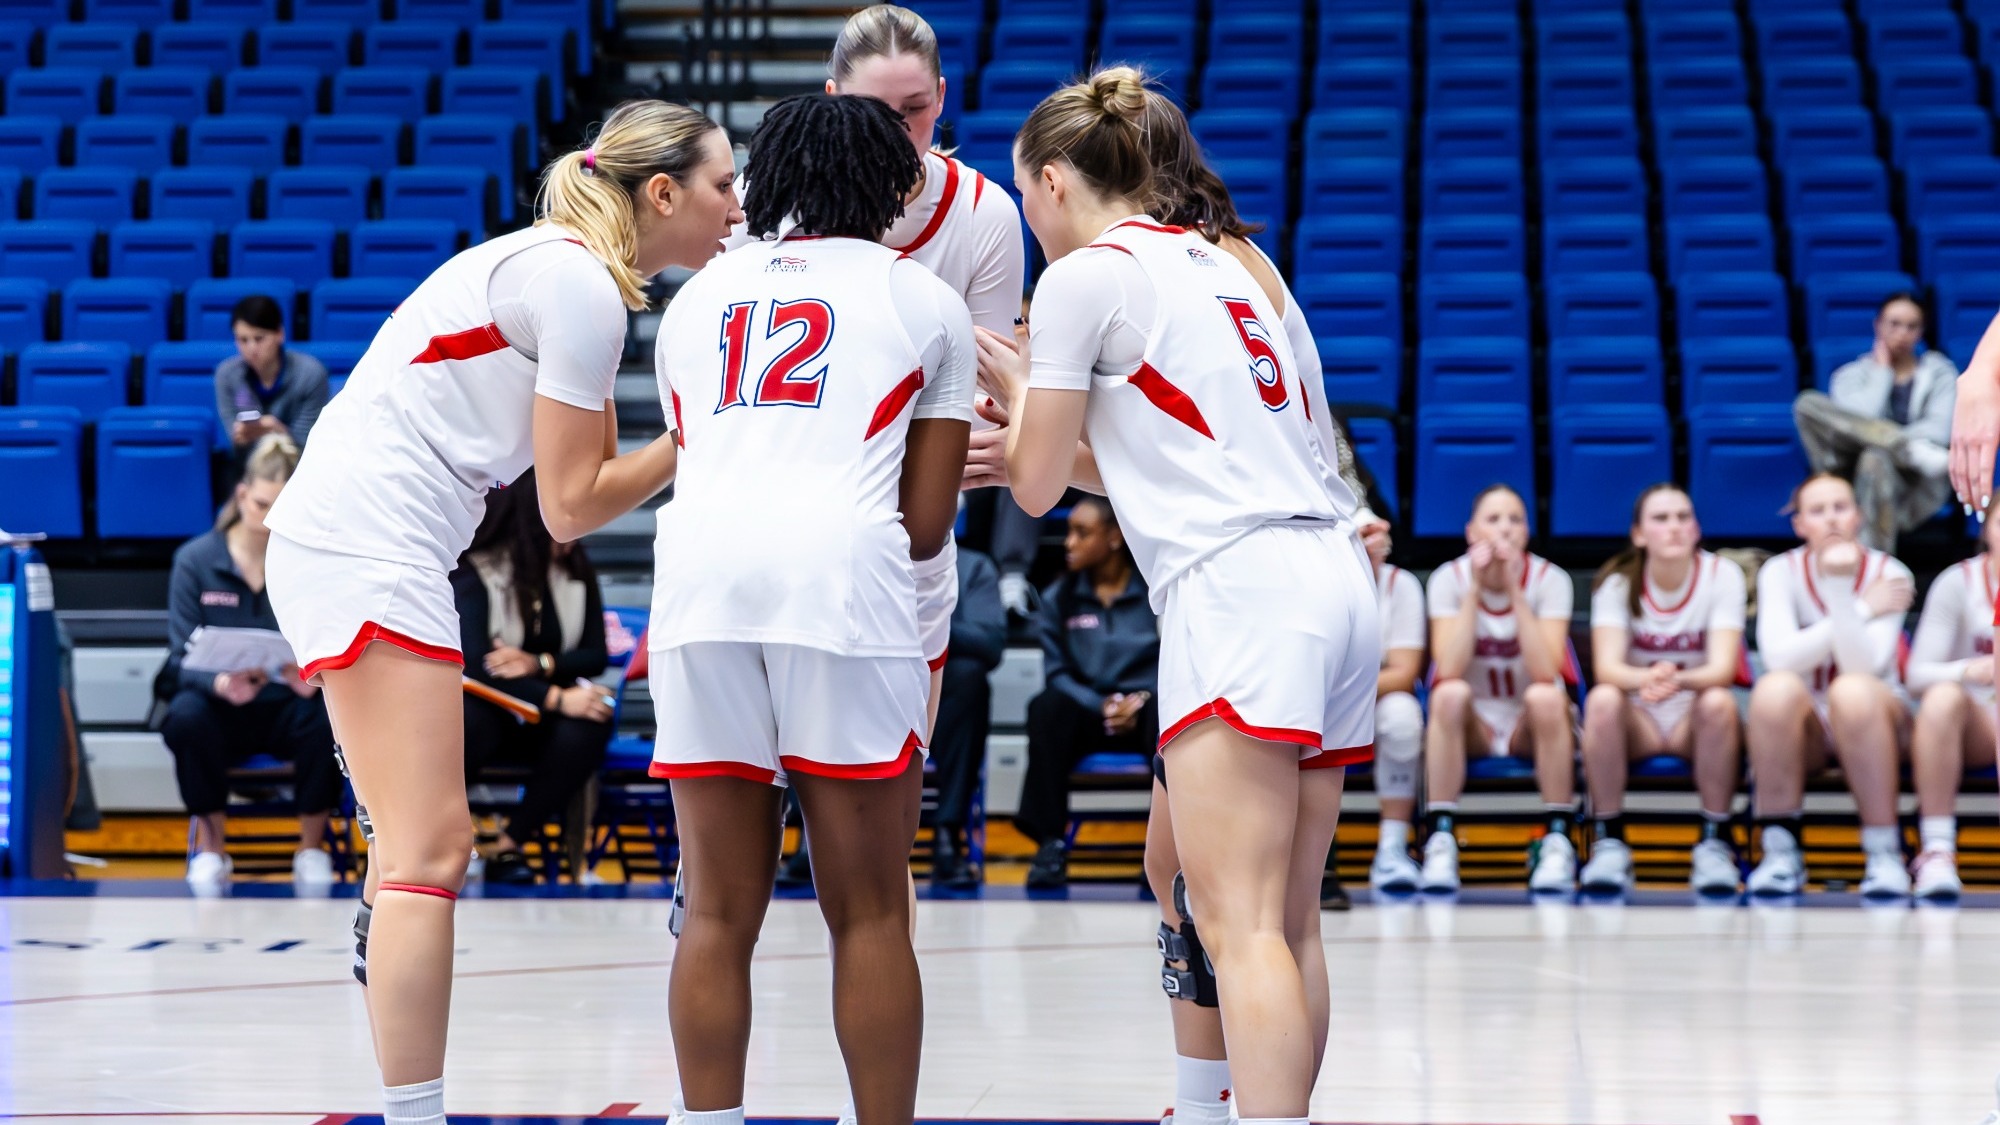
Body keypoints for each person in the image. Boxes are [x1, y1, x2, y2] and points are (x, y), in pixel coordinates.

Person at [262, 101, 739, 1125]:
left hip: (357, 542)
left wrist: (675, 443)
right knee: (434, 854)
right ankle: (413, 1115)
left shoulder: (572, 276)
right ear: (662, 194)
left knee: (409, 851)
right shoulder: (577, 289)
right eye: (720, 186)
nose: (734, 208)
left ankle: (384, 914)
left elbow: (586, 488)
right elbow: (572, 505)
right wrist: (704, 433)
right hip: (368, 546)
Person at [977, 67, 1374, 1125]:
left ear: (1053, 180)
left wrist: (1016, 399)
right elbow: (1168, 461)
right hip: (1328, 577)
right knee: (1266, 912)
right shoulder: (1237, 263)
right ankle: (1206, 1105)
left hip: (1238, 589)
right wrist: (1043, 428)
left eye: (1023, 193)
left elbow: (1029, 478)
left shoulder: (1081, 281)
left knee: (1236, 919)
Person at [647, 93, 971, 1125]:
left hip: (698, 586)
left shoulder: (696, 298)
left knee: (714, 911)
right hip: (840, 584)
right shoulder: (922, 300)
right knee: (869, 910)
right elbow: (923, 524)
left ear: (770, 180)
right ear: (895, 185)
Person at [159, 433, 339, 895]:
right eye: (261, 503)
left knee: (332, 714)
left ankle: (311, 848)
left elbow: (329, 638)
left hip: (287, 704)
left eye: (281, 507)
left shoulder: (308, 561)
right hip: (223, 707)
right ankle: (212, 850)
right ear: (242, 494)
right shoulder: (196, 561)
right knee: (184, 716)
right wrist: (218, 682)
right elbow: (179, 660)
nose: (269, 517)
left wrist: (311, 677)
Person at [1745, 472, 1915, 898]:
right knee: (1774, 689)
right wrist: (1858, 605)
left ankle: (1883, 853)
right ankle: (1780, 850)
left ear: (1858, 516)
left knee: (1851, 692)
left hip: (1877, 718)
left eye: (1840, 507)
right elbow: (1779, 659)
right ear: (1799, 524)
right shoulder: (1779, 572)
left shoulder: (1890, 571)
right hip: (1807, 729)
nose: (1831, 519)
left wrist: (1839, 590)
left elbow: (1865, 666)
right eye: (1817, 511)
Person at [1576, 484, 1747, 896]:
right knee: (1601, 700)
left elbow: (1723, 668)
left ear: (1697, 528)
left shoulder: (1722, 576)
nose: (1674, 527)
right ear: (1638, 534)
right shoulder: (1616, 584)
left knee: (1720, 702)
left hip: (1694, 715)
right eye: (1661, 518)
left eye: (1683, 517)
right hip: (1639, 718)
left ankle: (1714, 841)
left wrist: (1674, 679)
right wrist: (1647, 680)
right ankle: (1609, 840)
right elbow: (1608, 668)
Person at [452, 472, 614, 885]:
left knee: (593, 721)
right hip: (490, 708)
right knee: (470, 722)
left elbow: (595, 654)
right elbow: (476, 665)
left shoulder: (577, 569)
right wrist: (556, 698)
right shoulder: (480, 569)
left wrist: (538, 664)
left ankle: (509, 844)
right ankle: (455, 838)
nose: (575, 531)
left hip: (541, 710)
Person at [1421, 484, 1578, 895]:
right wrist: (1475, 590)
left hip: (1529, 722)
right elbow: (1446, 669)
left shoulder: (1551, 579)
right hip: (1476, 724)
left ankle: (1558, 836)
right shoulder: (1447, 579)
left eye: (1515, 520)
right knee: (1449, 694)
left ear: (1527, 532)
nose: (1504, 529)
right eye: (1493, 519)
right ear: (1472, 532)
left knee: (1546, 696)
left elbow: (1546, 670)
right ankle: (1441, 837)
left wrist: (1514, 592)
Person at [1017, 496, 1160, 889]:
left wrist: (1143, 697)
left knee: (1173, 714)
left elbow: (1179, 660)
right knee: (1046, 707)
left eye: (1082, 533)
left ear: (1114, 537)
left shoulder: (1156, 592)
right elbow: (1056, 673)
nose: (1068, 543)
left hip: (1148, 708)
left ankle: (1168, 852)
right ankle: (1050, 844)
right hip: (1087, 709)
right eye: (1069, 532)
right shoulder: (1057, 598)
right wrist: (1101, 704)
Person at [1794, 292, 1958, 553]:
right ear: (1878, 325)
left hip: (1912, 479)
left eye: (1911, 326)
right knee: (1807, 403)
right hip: (1847, 470)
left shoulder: (1941, 373)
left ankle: (1874, 571)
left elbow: (1940, 430)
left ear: (1921, 332)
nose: (1902, 333)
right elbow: (1854, 422)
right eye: (1894, 324)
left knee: (1876, 456)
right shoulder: (1850, 375)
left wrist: (1885, 446)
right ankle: (1900, 445)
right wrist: (1882, 372)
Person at [1901, 496, 2000, 900]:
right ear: (1985, 528)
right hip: (1977, 723)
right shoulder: (1957, 582)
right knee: (1941, 698)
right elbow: (1916, 675)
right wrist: (1968, 670)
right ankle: (1938, 847)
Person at [928, 543, 1005, 888]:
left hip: (942, 693)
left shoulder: (973, 566)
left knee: (970, 678)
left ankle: (948, 831)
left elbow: (990, 642)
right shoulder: (870, 552)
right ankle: (813, 837)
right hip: (872, 682)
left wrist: (926, 625)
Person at [1364, 517, 1427, 895]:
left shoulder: (1398, 584)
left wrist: (1347, 691)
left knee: (1403, 716)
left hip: (1369, 696)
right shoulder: (1311, 580)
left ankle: (1392, 846)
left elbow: (1404, 673)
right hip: (1316, 702)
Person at [214, 295, 330, 454]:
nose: (251, 348)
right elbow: (236, 441)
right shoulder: (227, 375)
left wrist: (277, 430)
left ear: (280, 334)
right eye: (243, 340)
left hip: (299, 467)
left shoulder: (311, 374)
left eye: (259, 338)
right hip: (247, 467)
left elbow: (307, 444)